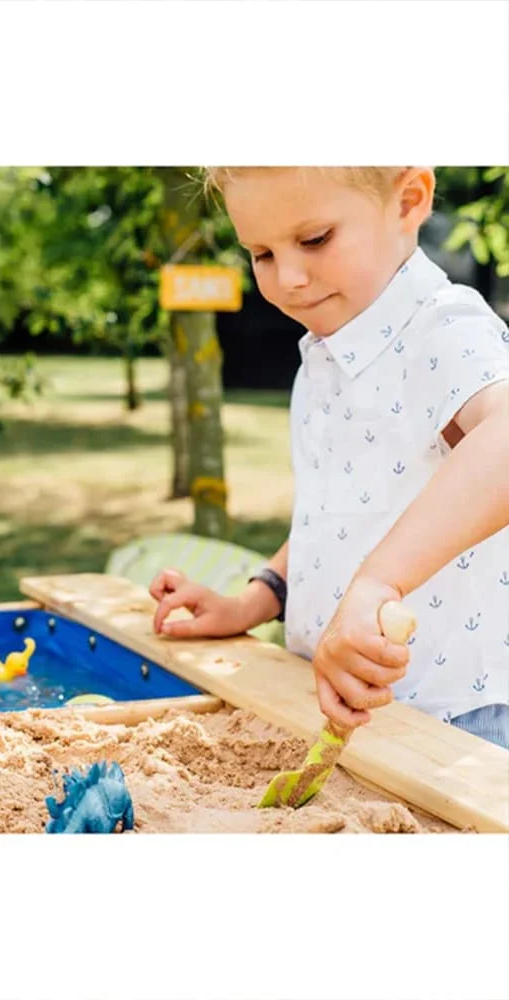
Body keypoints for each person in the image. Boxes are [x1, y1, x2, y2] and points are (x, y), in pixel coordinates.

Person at [150, 167, 509, 748]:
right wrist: (256, 597)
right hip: (360, 716)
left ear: (409, 201)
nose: (288, 279)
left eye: (315, 240)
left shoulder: (443, 330)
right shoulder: (329, 352)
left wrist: (379, 584)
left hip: (456, 720)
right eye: (261, 253)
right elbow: (345, 516)